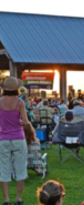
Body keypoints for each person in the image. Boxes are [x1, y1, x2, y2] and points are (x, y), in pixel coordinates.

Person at [0, 77, 29, 205]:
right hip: (18, 138)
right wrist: (21, 123)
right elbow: (26, 121)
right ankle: (18, 198)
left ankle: (6, 199)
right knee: (20, 169)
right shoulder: (20, 103)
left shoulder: (0, 102)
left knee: (4, 169)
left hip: (3, 138)